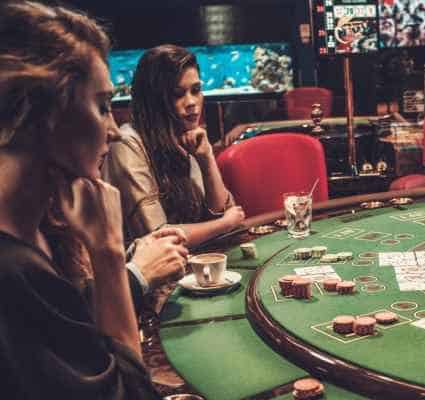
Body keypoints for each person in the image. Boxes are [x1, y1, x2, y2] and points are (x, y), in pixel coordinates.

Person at [0, 1, 167, 397]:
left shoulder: (36, 232)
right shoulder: (12, 272)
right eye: (103, 106)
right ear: (44, 111)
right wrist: (108, 253)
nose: (113, 130)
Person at [104, 45, 245, 248]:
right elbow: (159, 238)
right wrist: (223, 224)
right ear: (154, 100)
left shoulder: (186, 137)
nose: (191, 102)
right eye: (178, 94)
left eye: (196, 90)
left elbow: (225, 214)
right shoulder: (127, 143)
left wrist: (206, 160)